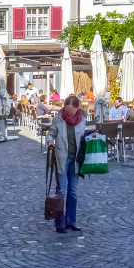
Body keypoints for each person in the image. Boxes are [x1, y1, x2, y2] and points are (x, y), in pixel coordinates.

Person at [50, 96, 88, 233]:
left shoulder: (83, 119)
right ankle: (59, 223)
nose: (69, 114)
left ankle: (71, 221)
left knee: (73, 192)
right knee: (61, 191)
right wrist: (49, 141)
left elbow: (85, 135)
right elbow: (51, 133)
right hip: (62, 158)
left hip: (76, 159)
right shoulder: (59, 119)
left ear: (78, 108)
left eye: (71, 112)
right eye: (67, 111)